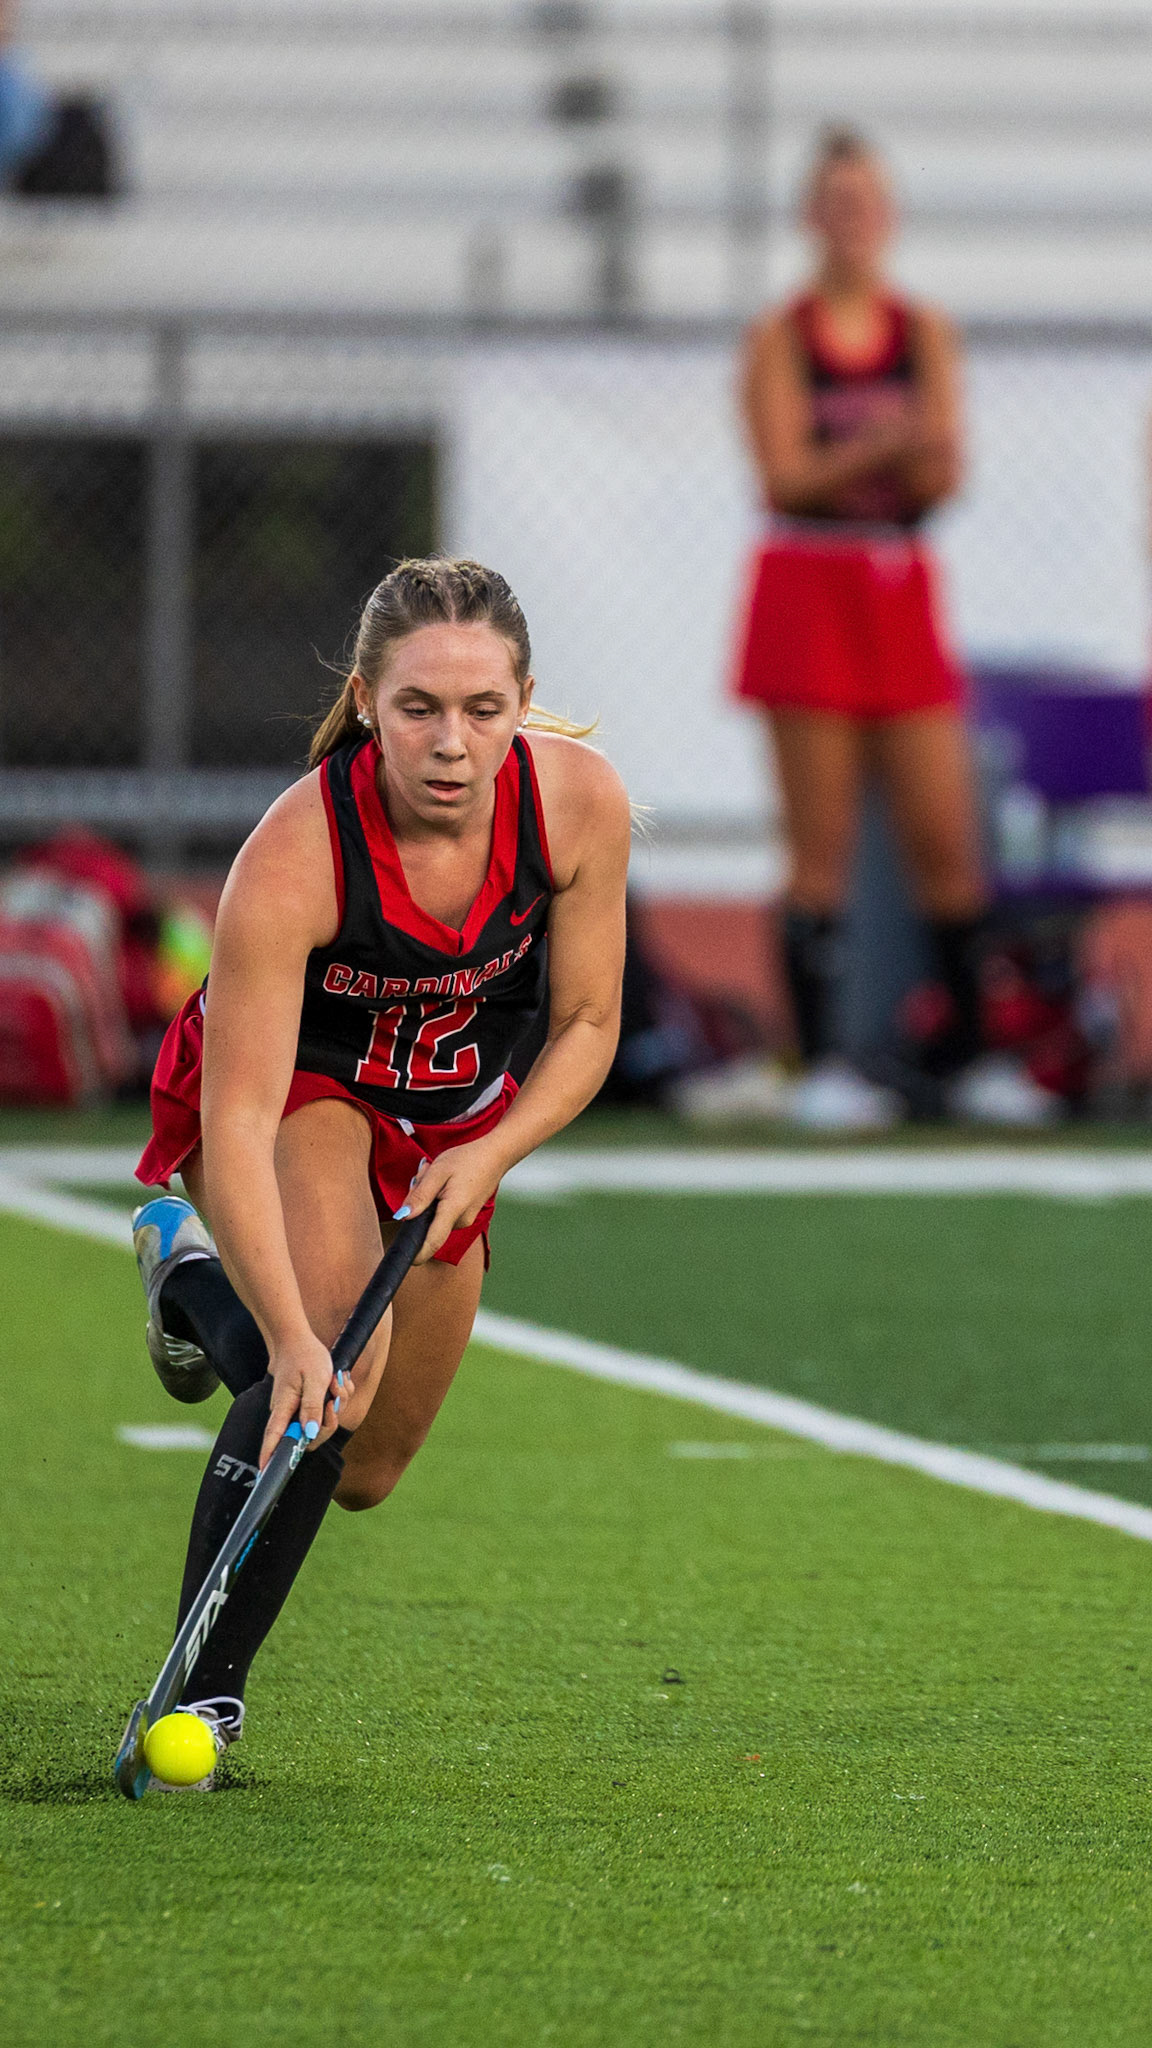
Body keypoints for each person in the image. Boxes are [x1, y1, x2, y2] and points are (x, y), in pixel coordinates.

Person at [126, 557, 630, 1784]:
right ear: (365, 701)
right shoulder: (296, 853)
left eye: (483, 709)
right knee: (326, 1375)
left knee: (368, 1468)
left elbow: (588, 1023)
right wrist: (296, 1333)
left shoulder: (577, 804)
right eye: (419, 707)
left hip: (455, 1121)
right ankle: (206, 1694)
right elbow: (240, 1117)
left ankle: (188, 1285)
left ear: (523, 703)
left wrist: (489, 1149)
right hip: (303, 1093)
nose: (451, 742)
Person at [683, 126, 1054, 1131]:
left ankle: (971, 1057)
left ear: (887, 217)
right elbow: (785, 477)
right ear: (811, 217)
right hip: (809, 587)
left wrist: (864, 455)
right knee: (820, 847)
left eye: (867, 202)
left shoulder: (921, 330)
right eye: (836, 202)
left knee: (946, 839)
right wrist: (883, 446)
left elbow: (942, 470)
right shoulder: (781, 336)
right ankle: (819, 1063)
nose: (853, 220)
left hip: (897, 585)